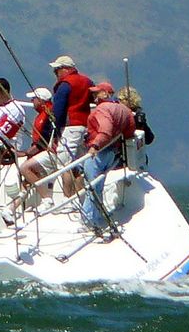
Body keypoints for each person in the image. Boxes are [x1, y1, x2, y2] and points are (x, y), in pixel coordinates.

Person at [68, 81, 135, 226]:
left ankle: (88, 220)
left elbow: (105, 131)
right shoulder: (124, 109)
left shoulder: (102, 109)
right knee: (98, 186)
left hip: (98, 153)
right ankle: (97, 216)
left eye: (96, 93)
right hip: (112, 152)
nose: (94, 96)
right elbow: (130, 130)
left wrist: (95, 146)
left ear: (105, 94)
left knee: (91, 187)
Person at [47, 55, 94, 163]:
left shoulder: (65, 84)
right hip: (86, 125)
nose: (55, 73)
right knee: (81, 160)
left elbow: (58, 110)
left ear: (65, 69)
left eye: (57, 70)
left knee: (63, 161)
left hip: (70, 126)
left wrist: (55, 130)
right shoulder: (88, 81)